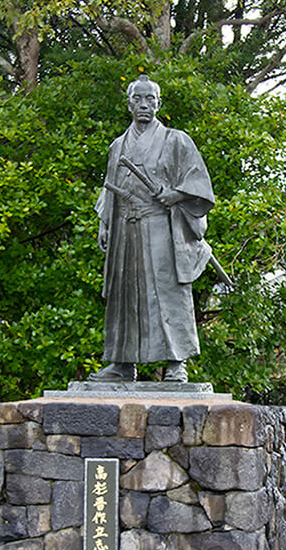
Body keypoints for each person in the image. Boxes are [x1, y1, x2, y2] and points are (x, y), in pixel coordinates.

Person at [90, 75, 215, 383]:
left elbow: (198, 181)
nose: (144, 105)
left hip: (161, 226)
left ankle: (176, 363)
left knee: (168, 290)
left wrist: (177, 194)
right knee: (124, 294)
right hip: (125, 228)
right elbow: (110, 190)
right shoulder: (117, 146)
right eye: (137, 99)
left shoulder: (176, 140)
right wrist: (105, 224)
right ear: (128, 103)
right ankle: (121, 363)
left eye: (150, 99)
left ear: (159, 103)